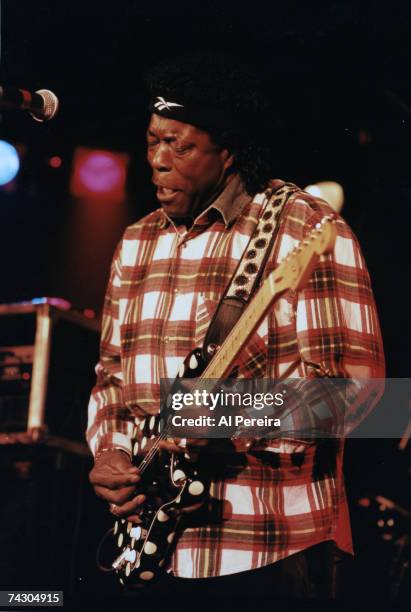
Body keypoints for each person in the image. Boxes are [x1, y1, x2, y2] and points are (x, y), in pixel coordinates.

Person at [86, 52, 385, 609]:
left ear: (226, 151)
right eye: (153, 140)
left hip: (271, 553)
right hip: (156, 556)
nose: (158, 159)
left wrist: (229, 416)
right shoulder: (136, 241)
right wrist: (110, 452)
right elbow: (111, 377)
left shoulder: (305, 228)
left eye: (181, 145)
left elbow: (366, 396)